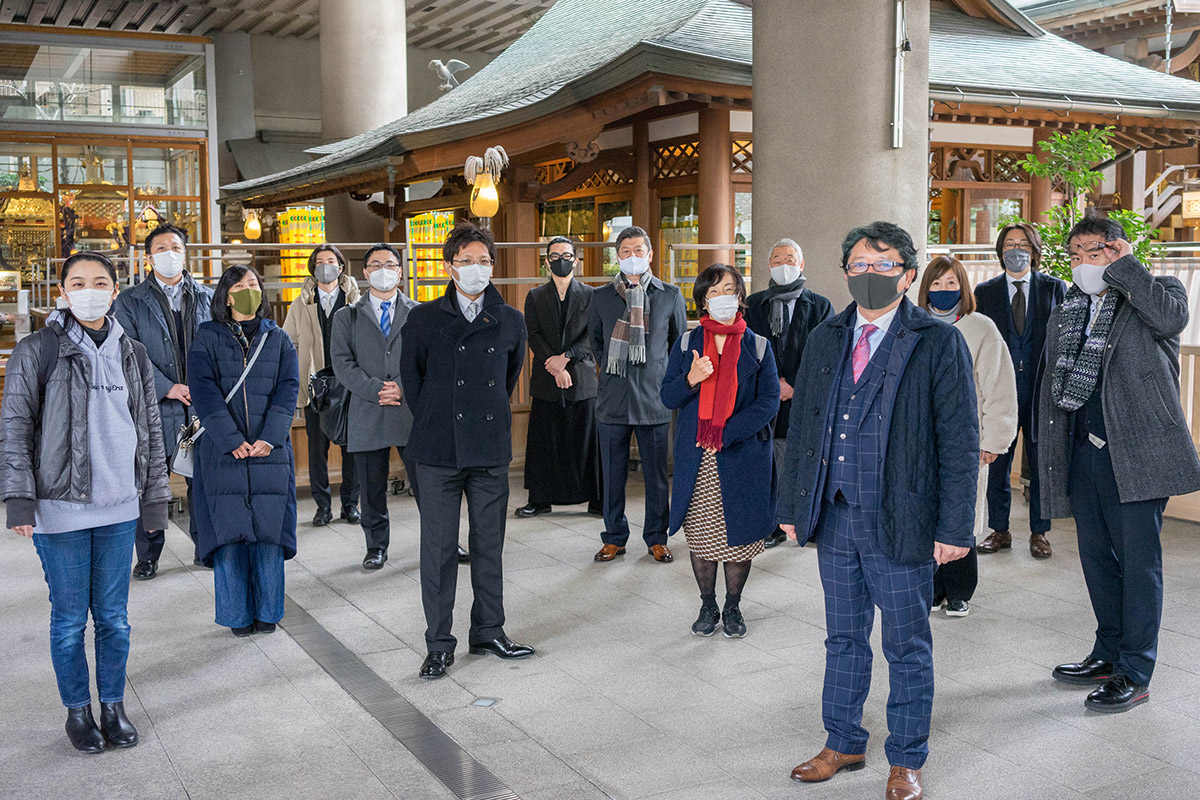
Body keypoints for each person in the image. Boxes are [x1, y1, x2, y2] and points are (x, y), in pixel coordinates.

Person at [779, 222, 978, 800]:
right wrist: (793, 505)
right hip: (836, 514)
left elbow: (960, 441)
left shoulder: (937, 341)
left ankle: (907, 757)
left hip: (905, 516)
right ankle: (842, 739)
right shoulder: (826, 336)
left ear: (908, 274)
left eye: (883, 264)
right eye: (859, 266)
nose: (869, 275)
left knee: (906, 643)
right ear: (845, 273)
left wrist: (954, 526)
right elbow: (805, 428)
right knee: (842, 637)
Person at [1, 251, 170, 753]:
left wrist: (155, 498)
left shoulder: (133, 352)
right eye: (78, 282)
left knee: (114, 618)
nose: (90, 290)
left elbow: (151, 429)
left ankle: (113, 706)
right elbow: (14, 427)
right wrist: (19, 501)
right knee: (70, 619)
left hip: (120, 505)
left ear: (115, 291)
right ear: (63, 291)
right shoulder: (37, 349)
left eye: (100, 282)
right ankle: (78, 711)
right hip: (61, 508)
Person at [1041, 216, 1200, 713]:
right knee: (1094, 557)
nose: (1084, 263)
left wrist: (1126, 267)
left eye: (1096, 251)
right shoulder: (1068, 308)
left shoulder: (1159, 289)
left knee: (1139, 563)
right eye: (1076, 254)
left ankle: (1136, 669)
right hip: (1083, 450)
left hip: (1138, 451)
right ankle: (1108, 652)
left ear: (1119, 250)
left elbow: (1171, 321)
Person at [399, 222, 534, 680]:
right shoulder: (423, 318)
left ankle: (489, 630)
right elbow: (412, 383)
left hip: (490, 446)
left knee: (489, 545)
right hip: (436, 447)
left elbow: (508, 378)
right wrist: (441, 414)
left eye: (484, 261)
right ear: (448, 266)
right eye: (466, 261)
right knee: (437, 548)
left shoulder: (511, 319)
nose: (476, 269)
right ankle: (439, 643)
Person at [661, 263, 780, 638]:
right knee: (702, 535)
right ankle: (707, 603)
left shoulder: (758, 345)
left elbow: (769, 401)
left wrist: (728, 432)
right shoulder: (686, 343)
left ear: (740, 297)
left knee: (739, 537)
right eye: (713, 292)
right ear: (702, 301)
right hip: (697, 458)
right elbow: (667, 396)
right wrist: (691, 379)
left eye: (728, 289)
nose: (722, 297)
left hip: (741, 454)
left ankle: (733, 606)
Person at [188, 265, 299, 637]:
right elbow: (203, 392)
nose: (248, 290)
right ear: (226, 295)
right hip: (223, 450)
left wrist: (271, 436)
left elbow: (288, 389)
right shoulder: (207, 336)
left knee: (269, 532)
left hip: (271, 449)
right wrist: (231, 439)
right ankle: (236, 614)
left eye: (253, 284)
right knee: (229, 534)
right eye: (239, 285)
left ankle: (269, 611)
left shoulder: (278, 337)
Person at [917, 256, 1018, 617]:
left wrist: (993, 439)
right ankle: (930, 585)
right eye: (936, 283)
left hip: (967, 438)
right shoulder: (914, 326)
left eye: (951, 283)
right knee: (925, 511)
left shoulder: (981, 328)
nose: (943, 291)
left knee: (961, 511)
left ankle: (959, 589)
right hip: (919, 440)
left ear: (964, 286)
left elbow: (1000, 386)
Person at [113, 223, 213, 580]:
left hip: (201, 405)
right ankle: (148, 554)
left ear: (185, 253)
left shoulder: (207, 296)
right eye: (160, 248)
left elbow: (218, 347)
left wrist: (203, 387)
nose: (169, 254)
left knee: (203, 479)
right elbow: (127, 352)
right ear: (148, 257)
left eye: (176, 247)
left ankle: (206, 546)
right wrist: (167, 386)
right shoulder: (129, 301)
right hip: (154, 405)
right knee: (152, 481)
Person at [330, 243, 434, 570]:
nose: (383, 270)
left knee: (429, 484)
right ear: (364, 273)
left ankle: (441, 540)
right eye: (375, 265)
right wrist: (377, 389)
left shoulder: (420, 312)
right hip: (367, 408)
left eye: (389, 264)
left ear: (401, 271)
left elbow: (427, 359)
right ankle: (376, 546)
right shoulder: (346, 316)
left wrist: (401, 388)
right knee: (371, 487)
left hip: (411, 410)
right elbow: (342, 364)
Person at [588, 225, 688, 564]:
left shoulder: (669, 295)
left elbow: (678, 344)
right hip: (613, 397)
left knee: (657, 475)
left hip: (654, 397)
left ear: (650, 255)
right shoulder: (600, 297)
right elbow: (595, 342)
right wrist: (610, 367)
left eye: (639, 251)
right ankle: (614, 537)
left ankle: (656, 538)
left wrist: (663, 375)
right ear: (617, 256)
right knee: (612, 474)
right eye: (626, 252)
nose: (633, 257)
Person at [974, 223, 1066, 560]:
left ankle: (1040, 532)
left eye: (1023, 243)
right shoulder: (985, 292)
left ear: (1035, 250)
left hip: (1043, 390)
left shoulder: (1056, 289)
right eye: (1010, 243)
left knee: (1043, 461)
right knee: (997, 459)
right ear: (1000, 251)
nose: (1016, 249)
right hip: (1001, 391)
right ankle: (999, 529)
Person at [744, 238, 834, 548]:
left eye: (791, 258)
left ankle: (806, 521)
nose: (785, 265)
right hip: (764, 396)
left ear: (802, 264)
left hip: (805, 397)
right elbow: (746, 350)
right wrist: (773, 383)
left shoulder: (820, 306)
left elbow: (827, 353)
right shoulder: (753, 305)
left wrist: (793, 382)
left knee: (802, 460)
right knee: (767, 463)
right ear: (769, 266)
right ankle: (772, 524)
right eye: (778, 259)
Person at [517, 236, 602, 518]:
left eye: (566, 255)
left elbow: (593, 336)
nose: (560, 260)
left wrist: (566, 358)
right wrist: (554, 366)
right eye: (554, 256)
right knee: (544, 441)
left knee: (588, 440)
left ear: (576, 260)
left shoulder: (592, 295)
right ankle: (539, 499)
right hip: (546, 378)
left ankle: (596, 499)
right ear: (546, 262)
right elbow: (534, 334)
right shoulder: (535, 296)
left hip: (582, 376)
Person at [283, 244, 361, 527]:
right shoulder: (301, 303)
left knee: (352, 448)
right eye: (319, 261)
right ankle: (323, 505)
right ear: (312, 268)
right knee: (317, 449)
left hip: (350, 384)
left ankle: (351, 504)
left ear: (341, 267)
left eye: (331, 261)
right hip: (317, 386)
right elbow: (288, 341)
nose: (325, 266)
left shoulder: (356, 301)